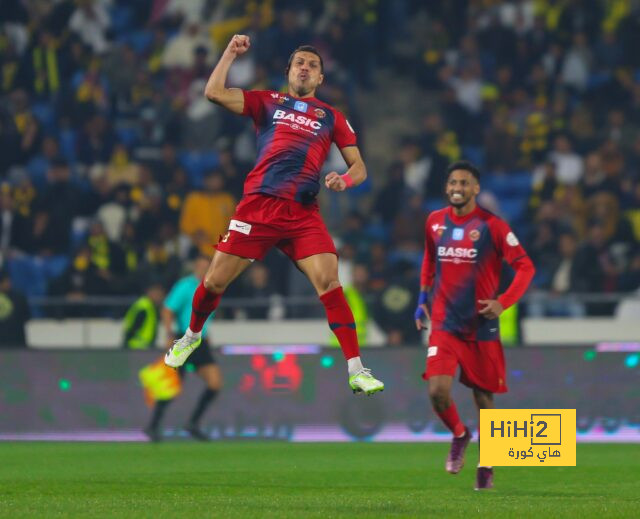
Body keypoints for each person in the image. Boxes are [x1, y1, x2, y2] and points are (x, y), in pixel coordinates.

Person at [164, 35, 383, 395]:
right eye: (300, 63)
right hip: (259, 206)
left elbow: (359, 166)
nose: (306, 68)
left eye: (313, 65)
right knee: (215, 282)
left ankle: (357, 369)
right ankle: (191, 336)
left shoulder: (331, 117)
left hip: (302, 212)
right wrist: (229, 54)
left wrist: (344, 181)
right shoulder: (267, 101)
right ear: (289, 71)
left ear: (320, 79)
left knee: (330, 282)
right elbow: (214, 93)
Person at [414, 161, 535, 490]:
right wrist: (421, 298)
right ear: (446, 187)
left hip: (480, 325)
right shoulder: (434, 222)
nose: (457, 187)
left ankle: (487, 463)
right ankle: (459, 434)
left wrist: (503, 302)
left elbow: (525, 267)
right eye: (453, 181)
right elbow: (429, 260)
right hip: (444, 322)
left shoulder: (492, 226)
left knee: (484, 398)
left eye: (464, 183)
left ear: (476, 189)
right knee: (438, 391)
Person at [145, 255, 222, 441]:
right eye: (201, 266)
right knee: (172, 385)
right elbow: (167, 309)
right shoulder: (185, 286)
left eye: (207, 266)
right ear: (195, 267)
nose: (204, 269)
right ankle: (153, 425)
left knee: (215, 383)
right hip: (184, 338)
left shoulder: (212, 286)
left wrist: (208, 336)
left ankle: (192, 423)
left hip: (200, 340)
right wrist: (170, 334)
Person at [122, 282, 165, 349]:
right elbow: (132, 327)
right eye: (158, 295)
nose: (160, 298)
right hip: (136, 347)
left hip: (144, 347)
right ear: (150, 293)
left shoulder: (150, 306)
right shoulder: (143, 307)